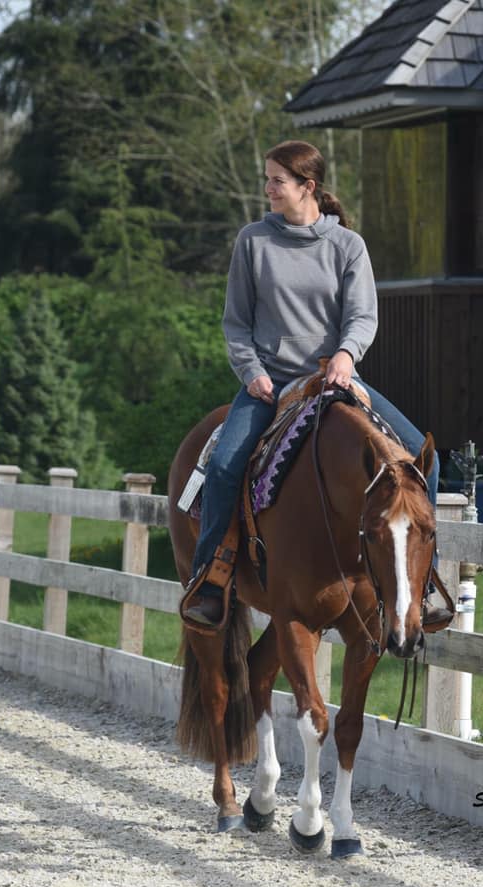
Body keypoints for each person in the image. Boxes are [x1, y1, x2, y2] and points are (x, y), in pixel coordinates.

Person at [184, 139, 449, 628]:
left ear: (307, 186)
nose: (267, 188)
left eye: (276, 180)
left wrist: (347, 357)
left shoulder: (348, 245)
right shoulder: (253, 241)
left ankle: (424, 583)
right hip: (271, 382)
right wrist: (252, 373)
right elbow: (235, 323)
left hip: (336, 378)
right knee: (222, 466)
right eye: (266, 178)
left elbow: (362, 317)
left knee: (421, 462)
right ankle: (212, 578)